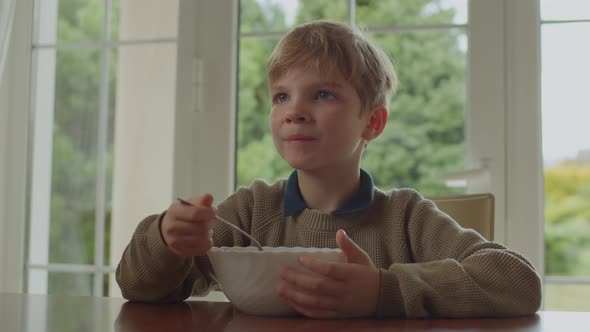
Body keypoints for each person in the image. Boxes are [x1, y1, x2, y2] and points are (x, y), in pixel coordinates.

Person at [116, 20, 541, 319]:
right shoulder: (249, 211)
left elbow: (518, 282)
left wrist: (382, 291)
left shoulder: (407, 219)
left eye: (321, 94)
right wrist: (165, 239)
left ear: (372, 123)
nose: (294, 111)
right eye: (281, 96)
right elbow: (137, 288)